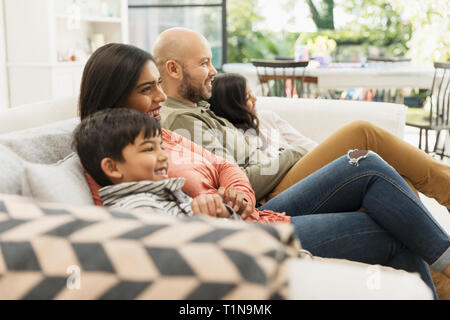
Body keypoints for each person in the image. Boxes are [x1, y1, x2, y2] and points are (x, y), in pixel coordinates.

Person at [77, 42, 450, 299]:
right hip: (245, 236)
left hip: (252, 211)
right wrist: (201, 209)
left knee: (365, 162)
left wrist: (235, 192)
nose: (160, 96)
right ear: (115, 95)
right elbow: (136, 226)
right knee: (389, 222)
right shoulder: (110, 149)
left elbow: (223, 165)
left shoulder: (159, 133)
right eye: (148, 89)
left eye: (159, 85)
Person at [152, 27, 450, 209]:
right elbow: (237, 183)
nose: (214, 71)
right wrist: (292, 154)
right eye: (204, 63)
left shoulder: (197, 109)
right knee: (363, 134)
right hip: (270, 195)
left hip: (277, 182)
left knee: (396, 184)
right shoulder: (180, 121)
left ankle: (440, 284)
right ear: (174, 69)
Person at [72, 107, 241, 220]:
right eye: (148, 149)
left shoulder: (166, 194)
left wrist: (222, 212)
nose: (163, 156)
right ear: (112, 167)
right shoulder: (137, 209)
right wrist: (205, 218)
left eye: (161, 146)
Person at [209, 72, 318, 158]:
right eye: (247, 97)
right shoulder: (236, 140)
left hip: (306, 165)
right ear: (232, 107)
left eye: (251, 92)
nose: (255, 99)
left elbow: (304, 143)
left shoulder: (267, 117)